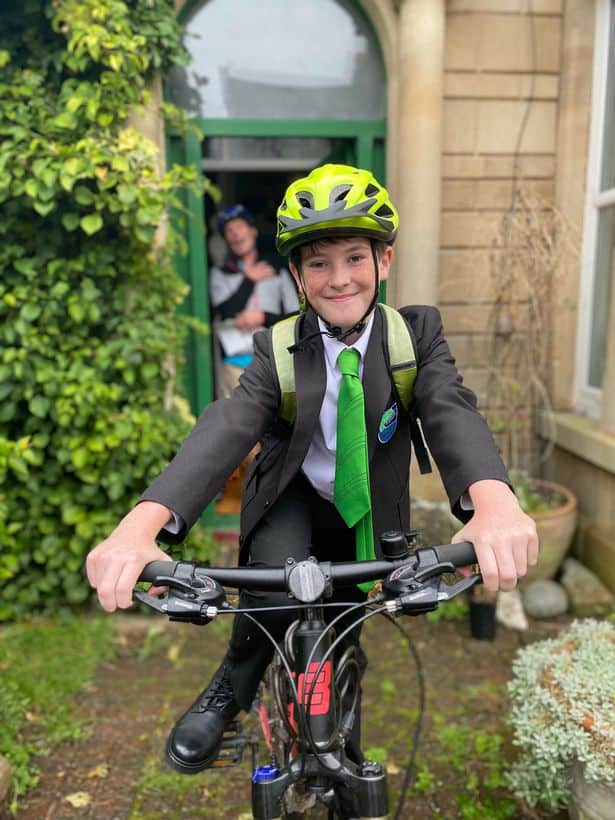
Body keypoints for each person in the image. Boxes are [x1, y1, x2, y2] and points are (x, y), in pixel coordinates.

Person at [86, 164, 538, 775]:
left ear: (383, 260)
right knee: (269, 601)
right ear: (297, 277)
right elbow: (228, 425)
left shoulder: (415, 335)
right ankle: (230, 688)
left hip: (368, 506)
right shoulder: (277, 346)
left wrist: (495, 502)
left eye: (354, 257)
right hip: (291, 497)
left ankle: (342, 729)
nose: (339, 278)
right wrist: (140, 526)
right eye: (318, 263)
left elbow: (449, 408)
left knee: (349, 621)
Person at [210, 204, 299, 398]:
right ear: (226, 239)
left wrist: (263, 317)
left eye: (240, 227)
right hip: (234, 367)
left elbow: (296, 316)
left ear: (253, 231)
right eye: (229, 230)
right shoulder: (219, 274)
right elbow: (224, 311)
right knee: (235, 416)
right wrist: (249, 280)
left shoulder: (276, 272)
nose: (235, 234)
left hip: (273, 363)